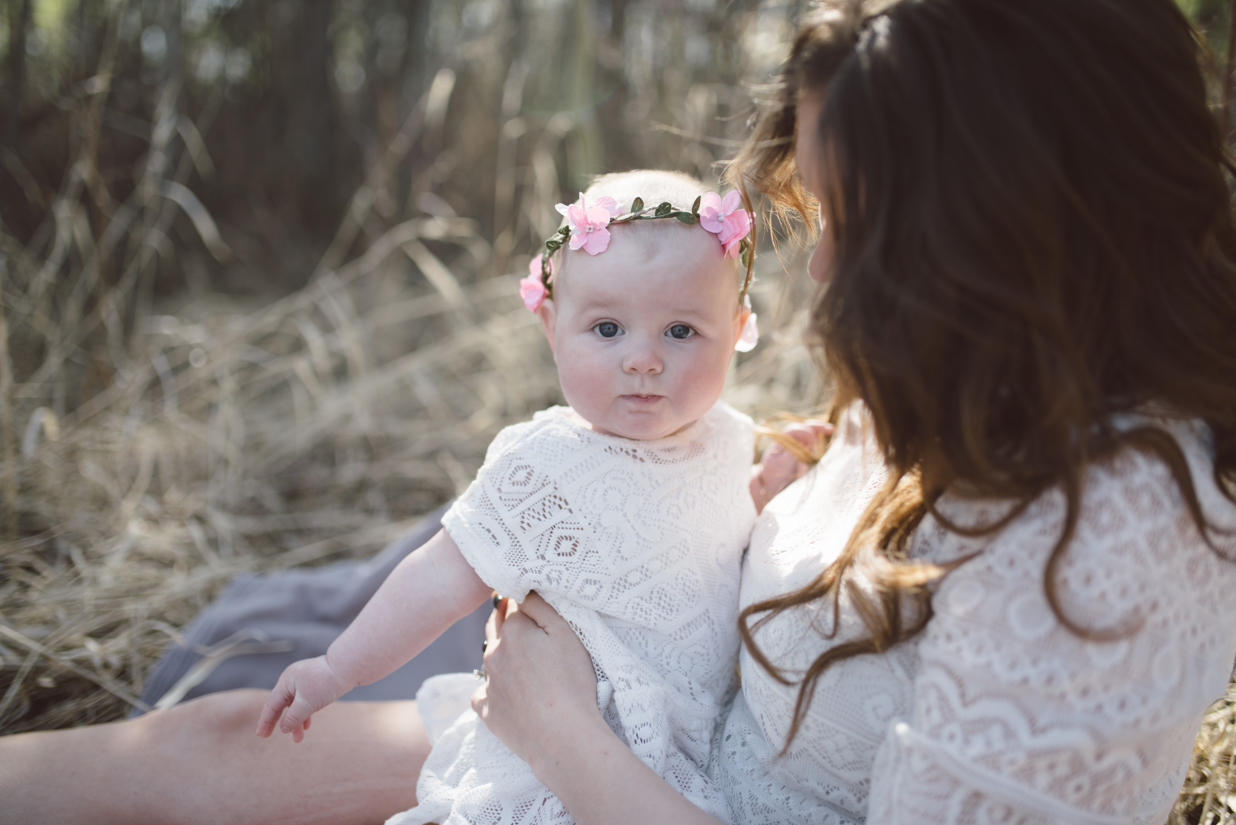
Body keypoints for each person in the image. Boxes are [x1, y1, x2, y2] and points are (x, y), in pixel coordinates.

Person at [2, 1, 1236, 823]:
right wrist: (781, 515)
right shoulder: (971, 374)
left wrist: (561, 737)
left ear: (1013, 231)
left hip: (636, 782)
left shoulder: (1119, 543)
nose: (819, 280)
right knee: (218, 742)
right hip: (655, 730)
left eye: (855, 233)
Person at [253, 168, 782, 825]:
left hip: (685, 770)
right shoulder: (544, 466)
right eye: (609, 328)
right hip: (554, 774)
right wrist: (336, 668)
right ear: (551, 324)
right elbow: (441, 574)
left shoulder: (733, 440)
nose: (643, 358)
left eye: (681, 331)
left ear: (736, 329)